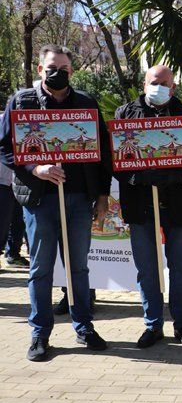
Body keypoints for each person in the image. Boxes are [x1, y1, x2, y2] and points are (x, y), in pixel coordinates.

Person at [0, 44, 112, 361]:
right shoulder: (21, 102)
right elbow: (5, 148)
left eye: (63, 68)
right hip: (39, 200)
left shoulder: (86, 104)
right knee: (40, 269)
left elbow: (103, 153)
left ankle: (84, 327)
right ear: (40, 69)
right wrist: (35, 168)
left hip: (77, 199)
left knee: (78, 267)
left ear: (71, 72)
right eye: (52, 67)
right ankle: (40, 333)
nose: (57, 73)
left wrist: (102, 197)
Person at [115, 65, 182, 349]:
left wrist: (181, 176)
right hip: (140, 202)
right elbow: (113, 155)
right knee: (147, 269)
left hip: (178, 202)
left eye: (164, 83)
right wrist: (135, 176)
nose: (158, 86)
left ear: (174, 86)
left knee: (180, 267)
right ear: (144, 84)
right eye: (153, 82)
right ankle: (152, 325)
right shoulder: (125, 114)